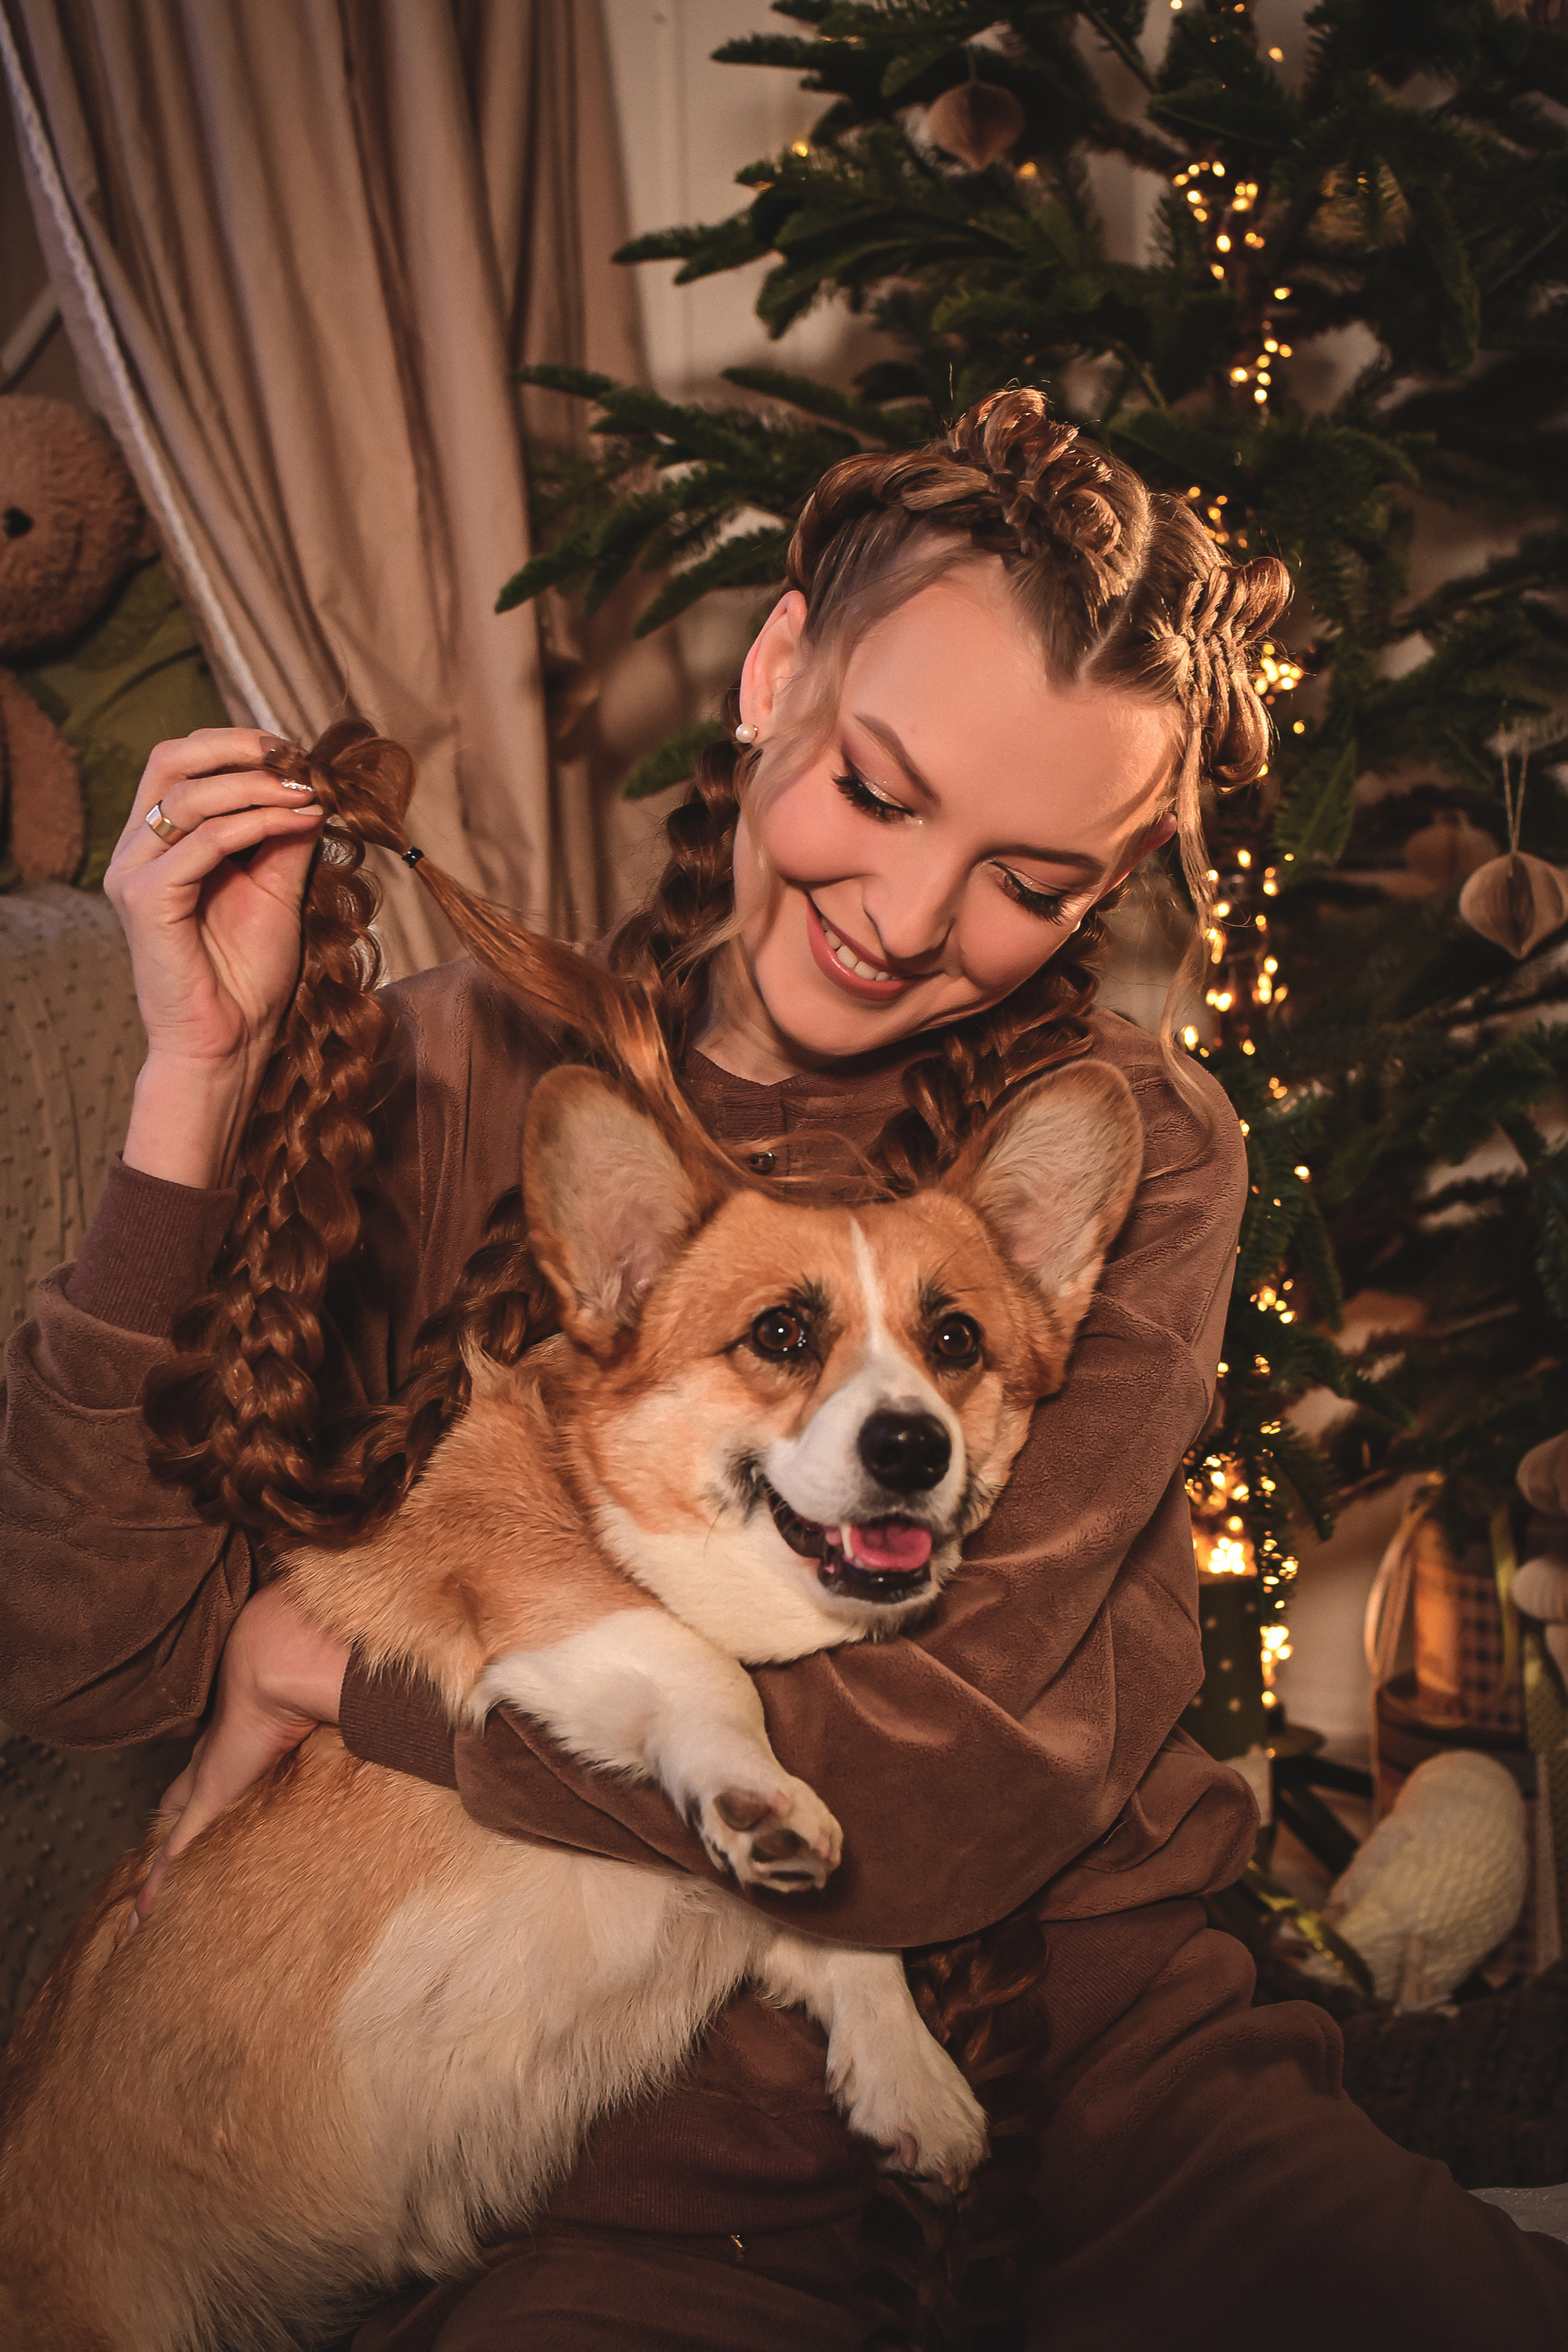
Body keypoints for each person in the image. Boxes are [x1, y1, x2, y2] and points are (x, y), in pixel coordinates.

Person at [2, 389, 1565, 2352]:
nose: (910, 921)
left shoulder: (1123, 1142)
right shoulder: (460, 1071)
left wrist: (352, 1673)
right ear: (773, 674)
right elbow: (88, 1670)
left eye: (1035, 883)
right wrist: (193, 1087)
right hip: (632, 2168)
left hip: (1111, 2082)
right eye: (883, 795)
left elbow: (942, 1777)